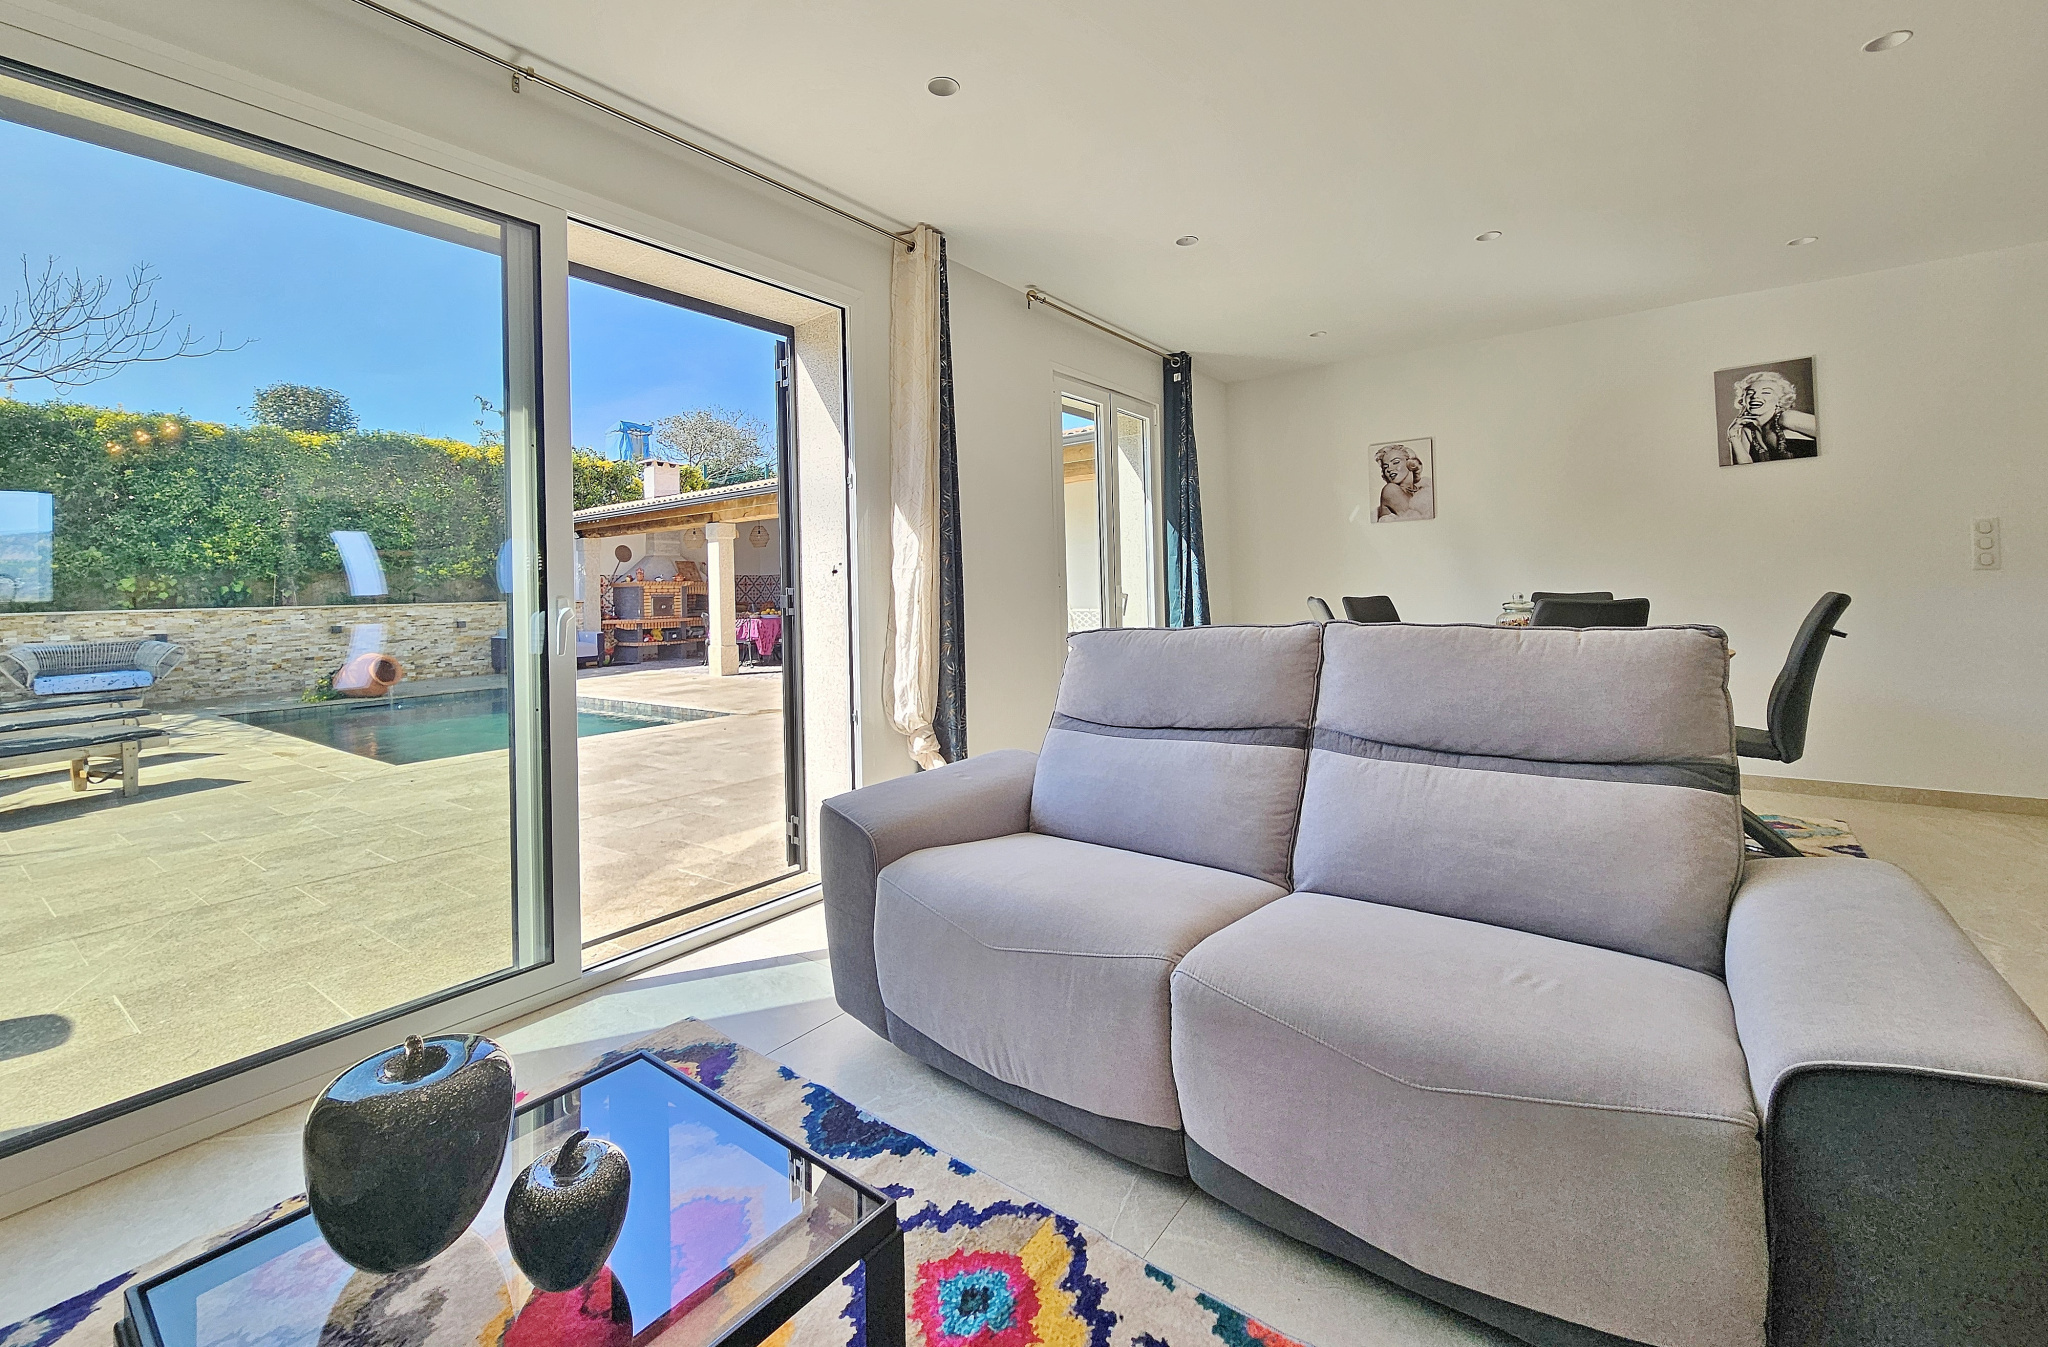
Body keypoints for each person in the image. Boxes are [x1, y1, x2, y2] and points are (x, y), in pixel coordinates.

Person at [1726, 370, 1817, 464]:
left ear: (1780, 400)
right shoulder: (1748, 431)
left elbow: (1826, 432)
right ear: (1743, 400)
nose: (1755, 396)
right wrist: (1733, 435)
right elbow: (1743, 468)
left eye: (1766, 392)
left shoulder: (1787, 418)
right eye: (1749, 393)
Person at [1375, 443, 1433, 520]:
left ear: (1410, 463)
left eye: (1395, 462)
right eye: (1385, 467)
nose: (1389, 469)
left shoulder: (1425, 489)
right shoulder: (1390, 490)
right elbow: (1417, 519)